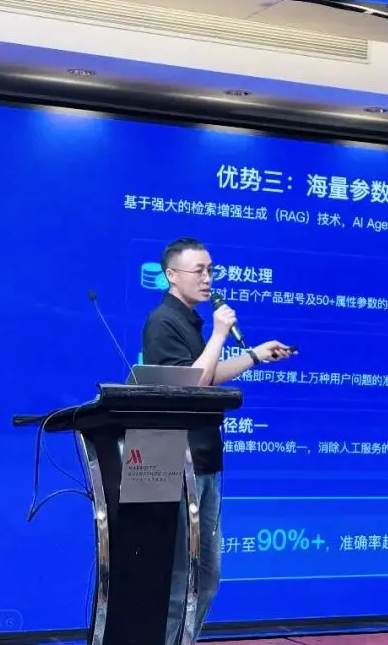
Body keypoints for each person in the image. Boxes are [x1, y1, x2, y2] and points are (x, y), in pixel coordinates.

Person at [142, 237, 293, 645]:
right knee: (180, 578)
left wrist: (255, 355)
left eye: (211, 270)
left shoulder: (190, 320)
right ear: (172, 275)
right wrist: (220, 333)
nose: (208, 278)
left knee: (206, 576)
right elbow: (191, 383)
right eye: (199, 270)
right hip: (173, 461)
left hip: (204, 461)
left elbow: (206, 376)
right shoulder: (162, 322)